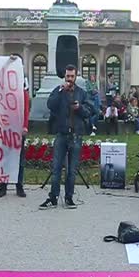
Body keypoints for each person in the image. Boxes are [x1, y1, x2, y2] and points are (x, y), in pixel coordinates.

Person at [40, 64, 93, 210]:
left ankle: (69, 197)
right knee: (56, 168)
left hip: (76, 135)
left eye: (72, 76)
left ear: (76, 76)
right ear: (65, 76)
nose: (69, 79)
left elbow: (90, 111)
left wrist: (80, 108)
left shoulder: (81, 93)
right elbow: (50, 105)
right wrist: (59, 91)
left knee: (72, 170)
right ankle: (53, 197)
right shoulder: (58, 90)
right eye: (67, 76)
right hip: (61, 134)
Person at [0, 77, 30, 198]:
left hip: (18, 129)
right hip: (6, 129)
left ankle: (19, 185)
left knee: (20, 160)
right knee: (4, 158)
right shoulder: (5, 92)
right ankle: (3, 185)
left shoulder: (23, 92)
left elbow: (26, 110)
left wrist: (25, 126)